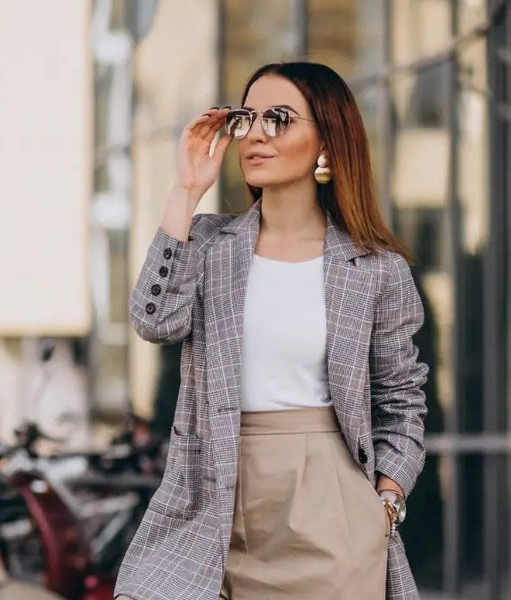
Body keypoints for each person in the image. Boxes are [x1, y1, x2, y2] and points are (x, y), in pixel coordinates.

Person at [113, 62, 429, 600]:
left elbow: (402, 400)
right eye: (247, 118)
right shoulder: (209, 246)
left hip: (331, 518)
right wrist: (187, 189)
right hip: (210, 502)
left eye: (279, 118)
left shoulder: (375, 269)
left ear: (326, 140)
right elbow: (153, 319)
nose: (256, 133)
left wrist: (385, 503)